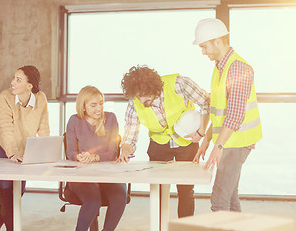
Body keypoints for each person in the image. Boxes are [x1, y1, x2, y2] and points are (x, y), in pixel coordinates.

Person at [117, 65, 210, 227]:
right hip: (158, 146)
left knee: (185, 191)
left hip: (186, 144)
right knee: (158, 193)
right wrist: (125, 149)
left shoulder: (179, 84)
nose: (140, 101)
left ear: (153, 88)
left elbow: (207, 102)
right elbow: (130, 134)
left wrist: (201, 132)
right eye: (137, 97)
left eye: (144, 96)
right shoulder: (135, 102)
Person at [192, 18, 262, 212]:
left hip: (236, 141)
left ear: (217, 41)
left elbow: (235, 115)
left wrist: (218, 146)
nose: (203, 52)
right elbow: (217, 113)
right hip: (229, 140)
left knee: (219, 200)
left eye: (204, 46)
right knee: (229, 196)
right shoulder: (220, 67)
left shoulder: (238, 68)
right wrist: (207, 139)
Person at [0, 65, 49, 231]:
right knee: (7, 188)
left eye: (18, 80)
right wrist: (12, 152)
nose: (12, 82)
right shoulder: (5, 97)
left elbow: (43, 127)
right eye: (14, 78)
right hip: (1, 143)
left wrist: (46, 152)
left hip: (23, 144)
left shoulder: (41, 98)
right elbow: (6, 128)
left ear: (30, 86)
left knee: (19, 190)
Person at [66, 86, 127, 231]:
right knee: (93, 201)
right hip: (83, 176)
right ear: (83, 106)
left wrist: (94, 157)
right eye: (93, 105)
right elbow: (70, 152)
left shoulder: (110, 118)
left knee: (120, 198)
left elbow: (112, 153)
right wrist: (79, 156)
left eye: (101, 103)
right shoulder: (74, 121)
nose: (99, 108)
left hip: (107, 175)